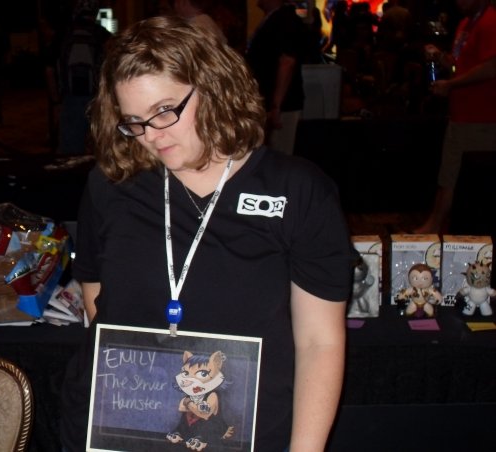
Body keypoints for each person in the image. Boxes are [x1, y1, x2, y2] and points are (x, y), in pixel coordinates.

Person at [59, 15, 356, 452]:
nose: (152, 135)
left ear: (213, 86)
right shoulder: (112, 185)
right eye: (134, 121)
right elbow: (96, 298)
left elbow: (320, 342)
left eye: (165, 111)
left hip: (241, 434)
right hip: (120, 426)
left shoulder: (297, 190)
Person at [414, 0, 496, 234]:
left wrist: (451, 84)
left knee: (461, 177)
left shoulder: (490, 21)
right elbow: (462, 64)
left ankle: (441, 228)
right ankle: (438, 226)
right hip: (462, 113)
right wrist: (443, 59)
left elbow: (492, 67)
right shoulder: (465, 23)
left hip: (482, 116)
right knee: (449, 172)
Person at [246, 0, 307, 155]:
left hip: (282, 106)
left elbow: (287, 61)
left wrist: (276, 105)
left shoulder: (285, 18)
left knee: (278, 155)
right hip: (271, 104)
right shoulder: (275, 18)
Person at [53, 1, 111, 155]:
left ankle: (71, 167)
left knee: (70, 146)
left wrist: (56, 100)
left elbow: (51, 68)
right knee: (101, 144)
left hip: (70, 96)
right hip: (96, 96)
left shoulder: (64, 33)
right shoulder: (102, 34)